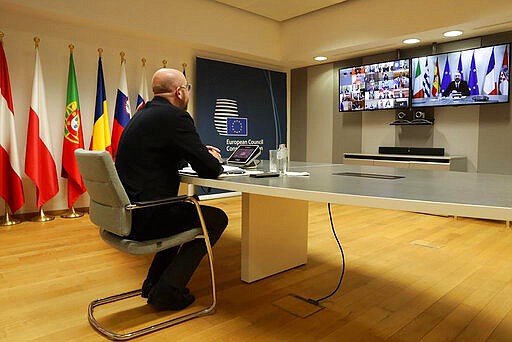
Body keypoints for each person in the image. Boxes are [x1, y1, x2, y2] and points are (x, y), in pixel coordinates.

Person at [115, 68, 228, 310]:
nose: (187, 93)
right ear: (179, 91)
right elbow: (210, 170)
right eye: (187, 89)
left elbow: (159, 154)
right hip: (146, 216)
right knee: (216, 218)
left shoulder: (143, 113)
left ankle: (153, 283)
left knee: (179, 212)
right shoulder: (176, 117)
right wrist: (206, 157)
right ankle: (168, 290)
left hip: (126, 214)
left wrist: (196, 151)